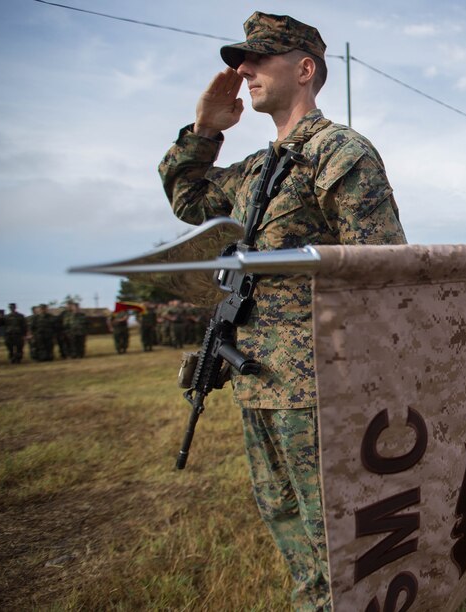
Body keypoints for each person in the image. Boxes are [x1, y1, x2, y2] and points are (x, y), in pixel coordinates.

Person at [158, 12, 406, 610]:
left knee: (341, 535)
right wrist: (205, 130)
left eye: (257, 59)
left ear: (303, 69)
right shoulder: (252, 174)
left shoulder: (339, 153)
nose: (242, 71)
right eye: (242, 61)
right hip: (256, 381)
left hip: (319, 386)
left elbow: (383, 274)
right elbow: (188, 200)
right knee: (289, 527)